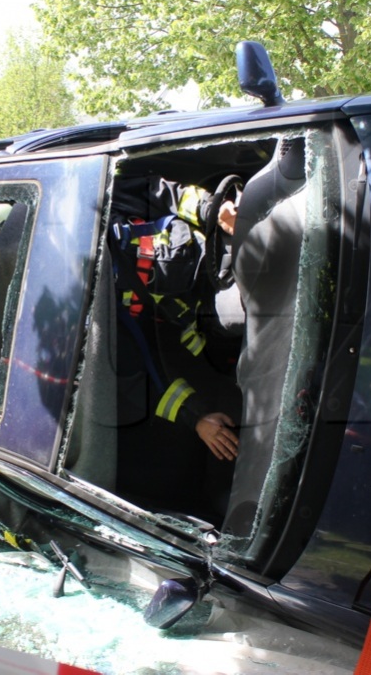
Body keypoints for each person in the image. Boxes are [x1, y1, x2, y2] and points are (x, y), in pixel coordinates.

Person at [108, 174, 241, 521]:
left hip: (223, 241)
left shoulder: (101, 198)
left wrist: (215, 210)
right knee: (230, 406)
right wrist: (196, 419)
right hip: (211, 305)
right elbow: (148, 371)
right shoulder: (97, 321)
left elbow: (162, 191)